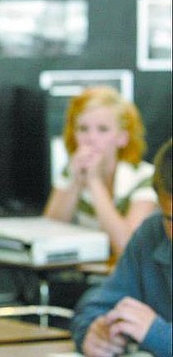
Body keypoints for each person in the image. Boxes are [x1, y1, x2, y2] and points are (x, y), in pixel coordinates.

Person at [71, 138, 172, 357]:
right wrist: (93, 332)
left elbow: (156, 335)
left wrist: (158, 334)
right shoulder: (152, 235)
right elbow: (99, 304)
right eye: (170, 219)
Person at [43, 86, 158, 256]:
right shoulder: (70, 171)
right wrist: (75, 183)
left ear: (122, 138)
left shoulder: (146, 177)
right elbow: (46, 239)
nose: (91, 138)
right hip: (84, 276)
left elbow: (128, 249)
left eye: (102, 129)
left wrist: (94, 182)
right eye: (83, 129)